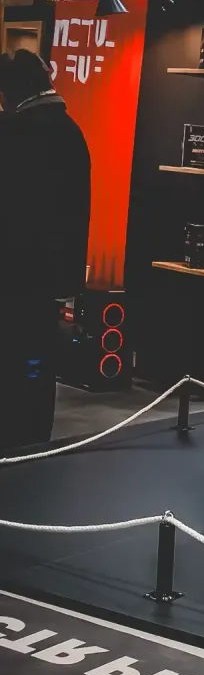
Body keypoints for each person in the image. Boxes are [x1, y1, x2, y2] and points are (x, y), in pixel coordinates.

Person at [0, 50, 92, 450]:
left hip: (13, 273)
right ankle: (34, 435)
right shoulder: (69, 131)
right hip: (49, 277)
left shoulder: (17, 132)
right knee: (37, 360)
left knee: (12, 358)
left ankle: (13, 436)